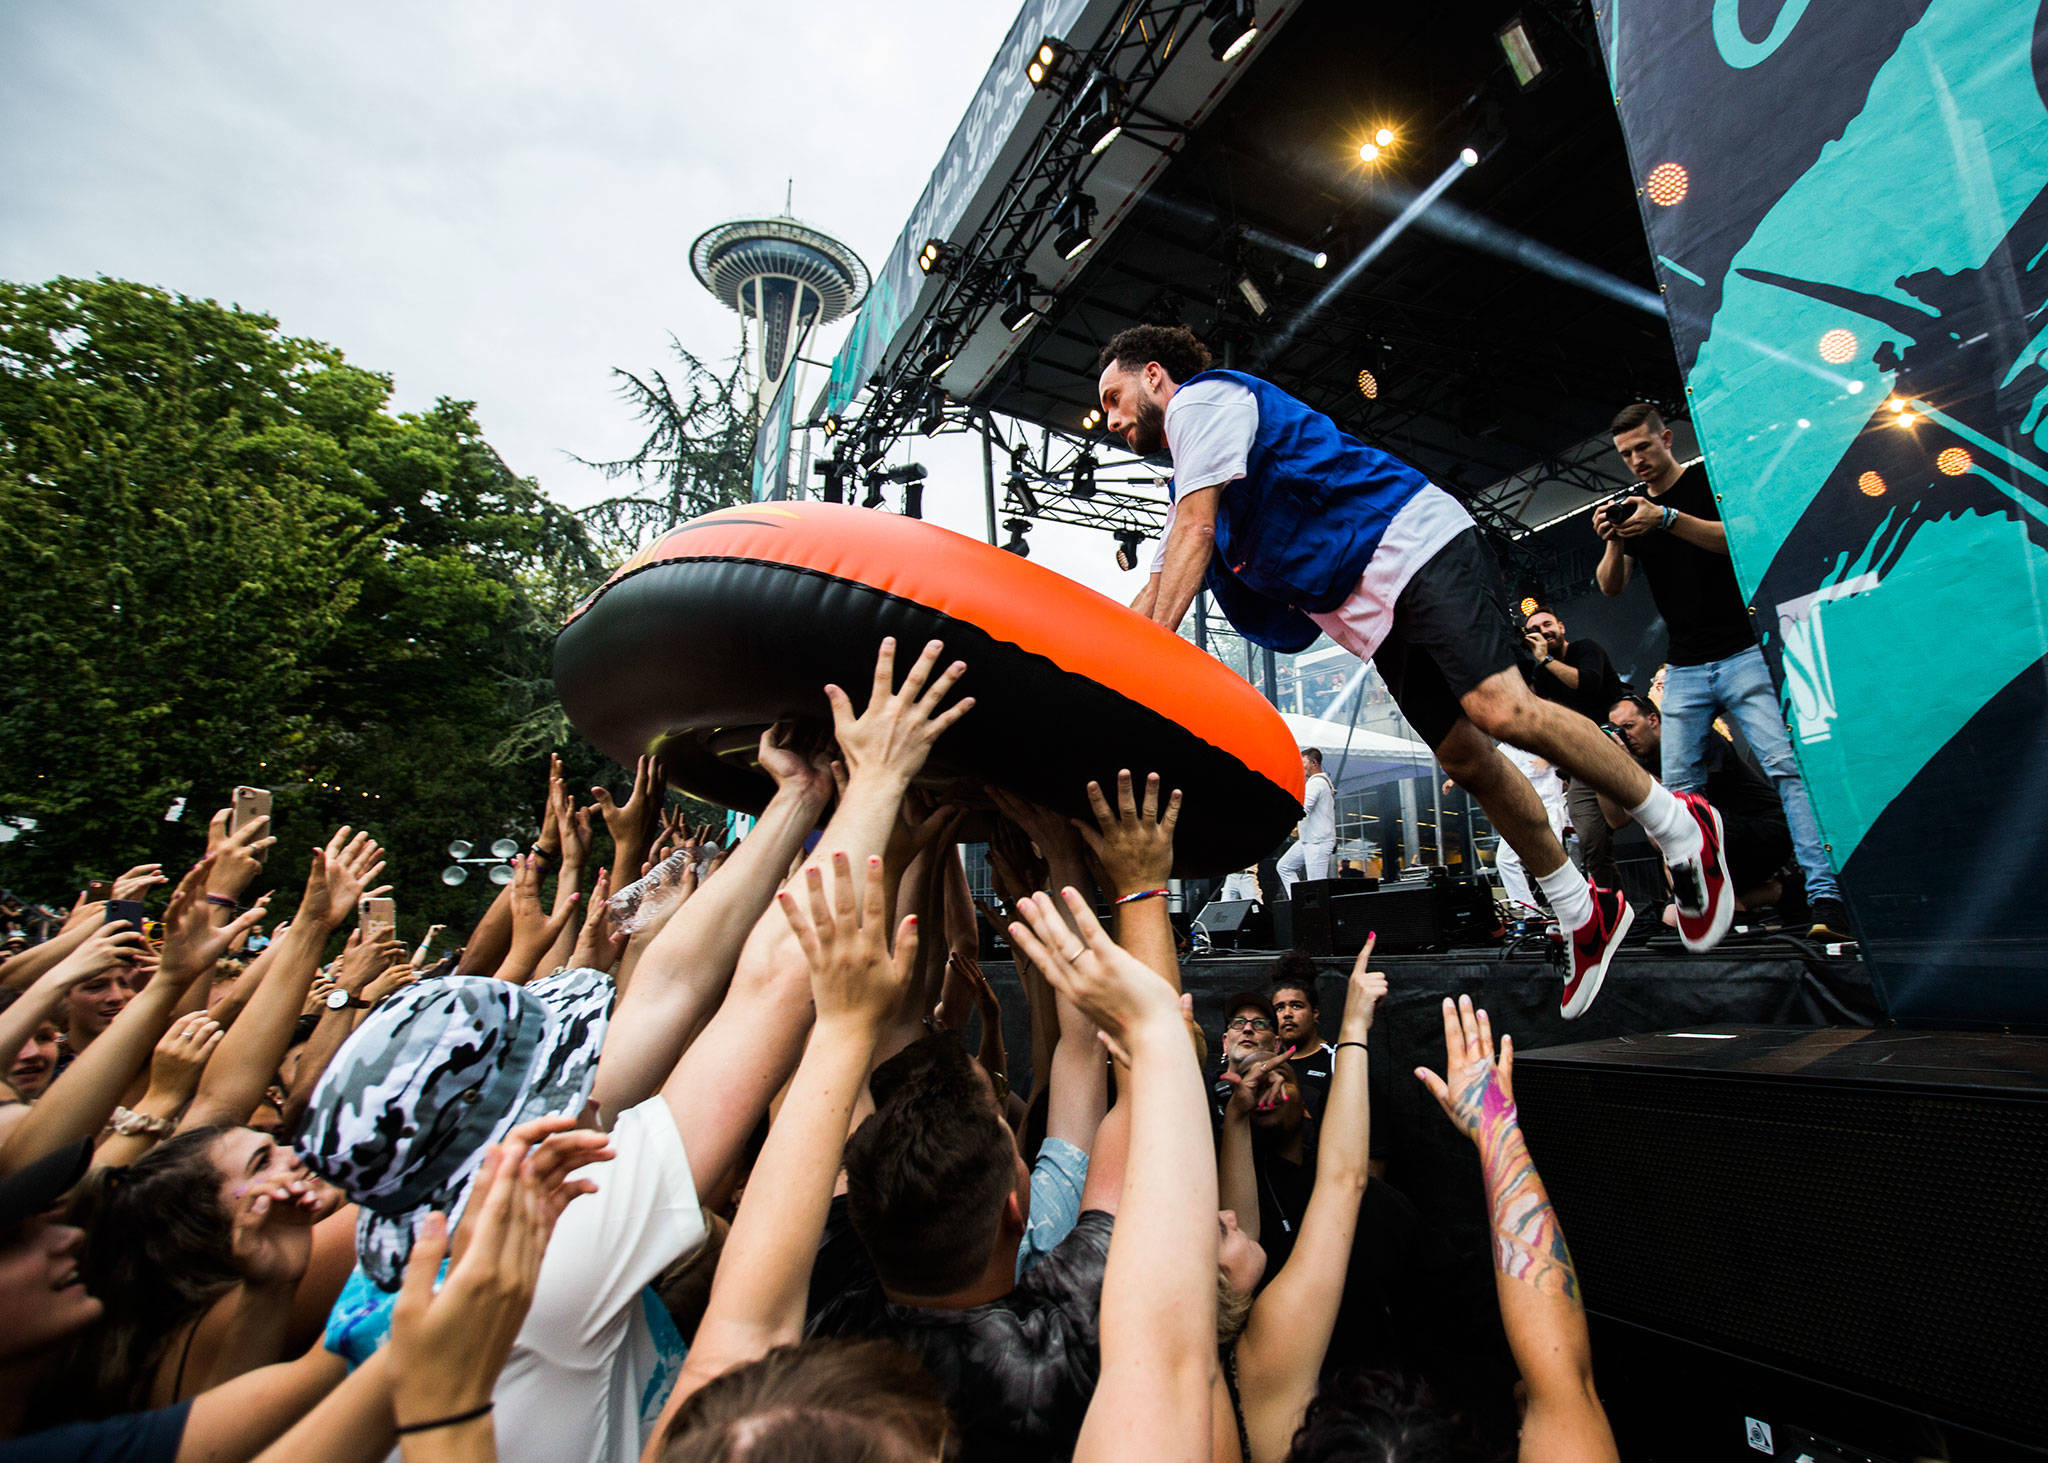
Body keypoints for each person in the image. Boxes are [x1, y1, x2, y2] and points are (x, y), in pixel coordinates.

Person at [1102, 324, 1733, 1021]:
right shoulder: (1182, 483)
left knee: (1500, 708)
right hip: (1371, 609)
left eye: (1113, 396)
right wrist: (1099, 675)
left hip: (1410, 538)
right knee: (1466, 758)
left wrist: (1144, 675)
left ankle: (1681, 825)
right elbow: (1152, 593)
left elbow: (1193, 539)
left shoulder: (1200, 402)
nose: (1110, 417)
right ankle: (1580, 909)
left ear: (1155, 374)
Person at [1600, 403, 1848, 941]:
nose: (1637, 460)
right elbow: (1610, 586)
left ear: (1667, 439)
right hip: (1685, 666)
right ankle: (1697, 900)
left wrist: (1665, 518)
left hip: (1742, 649)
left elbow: (1740, 539)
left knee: (1785, 768)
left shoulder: (1706, 483)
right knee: (1677, 795)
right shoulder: (1635, 510)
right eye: (1626, 454)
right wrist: (1617, 538)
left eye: (1644, 447)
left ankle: (1824, 890)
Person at [1601, 693, 1797, 923]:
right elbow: (1617, 820)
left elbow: (1687, 805)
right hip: (1720, 839)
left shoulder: (1692, 739)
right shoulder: (1641, 760)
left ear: (1653, 720)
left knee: (1674, 823)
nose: (1627, 736)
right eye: (1620, 730)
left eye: (1630, 726)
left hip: (1765, 831)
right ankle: (1782, 891)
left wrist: (1627, 766)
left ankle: (1722, 908)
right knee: (1671, 917)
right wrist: (1600, 768)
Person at [1522, 606, 1628, 894]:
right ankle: (1616, 909)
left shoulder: (1585, 649)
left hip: (1617, 748)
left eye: (1547, 625)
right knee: (1592, 841)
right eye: (1535, 630)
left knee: (1654, 824)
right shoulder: (1541, 674)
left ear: (1562, 626)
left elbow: (1589, 685)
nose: (1543, 632)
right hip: (1581, 761)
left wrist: (1546, 659)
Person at [1266, 954, 1332, 1120]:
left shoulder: (1336, 1059)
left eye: (1296, 1006)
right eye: (1279, 1008)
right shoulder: (1269, 1065)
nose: (1287, 1014)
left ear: (1314, 1012)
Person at [1274, 749, 1335, 895]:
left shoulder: (1316, 783)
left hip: (1318, 842)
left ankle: (1311, 910)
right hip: (1309, 840)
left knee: (1316, 886)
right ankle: (1298, 900)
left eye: (1303, 763)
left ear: (1314, 763)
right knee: (1284, 866)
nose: (1301, 768)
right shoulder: (1319, 782)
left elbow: (1303, 809)